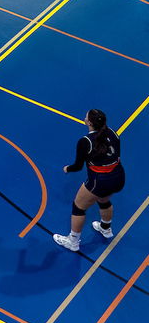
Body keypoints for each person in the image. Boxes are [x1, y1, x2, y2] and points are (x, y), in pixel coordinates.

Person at [54, 108, 124, 252]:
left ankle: (73, 241)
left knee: (78, 207)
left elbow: (78, 166)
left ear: (89, 123)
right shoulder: (113, 132)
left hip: (100, 180)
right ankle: (106, 228)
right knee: (104, 200)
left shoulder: (85, 142)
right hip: (118, 176)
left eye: (86, 117)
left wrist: (68, 168)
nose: (84, 118)